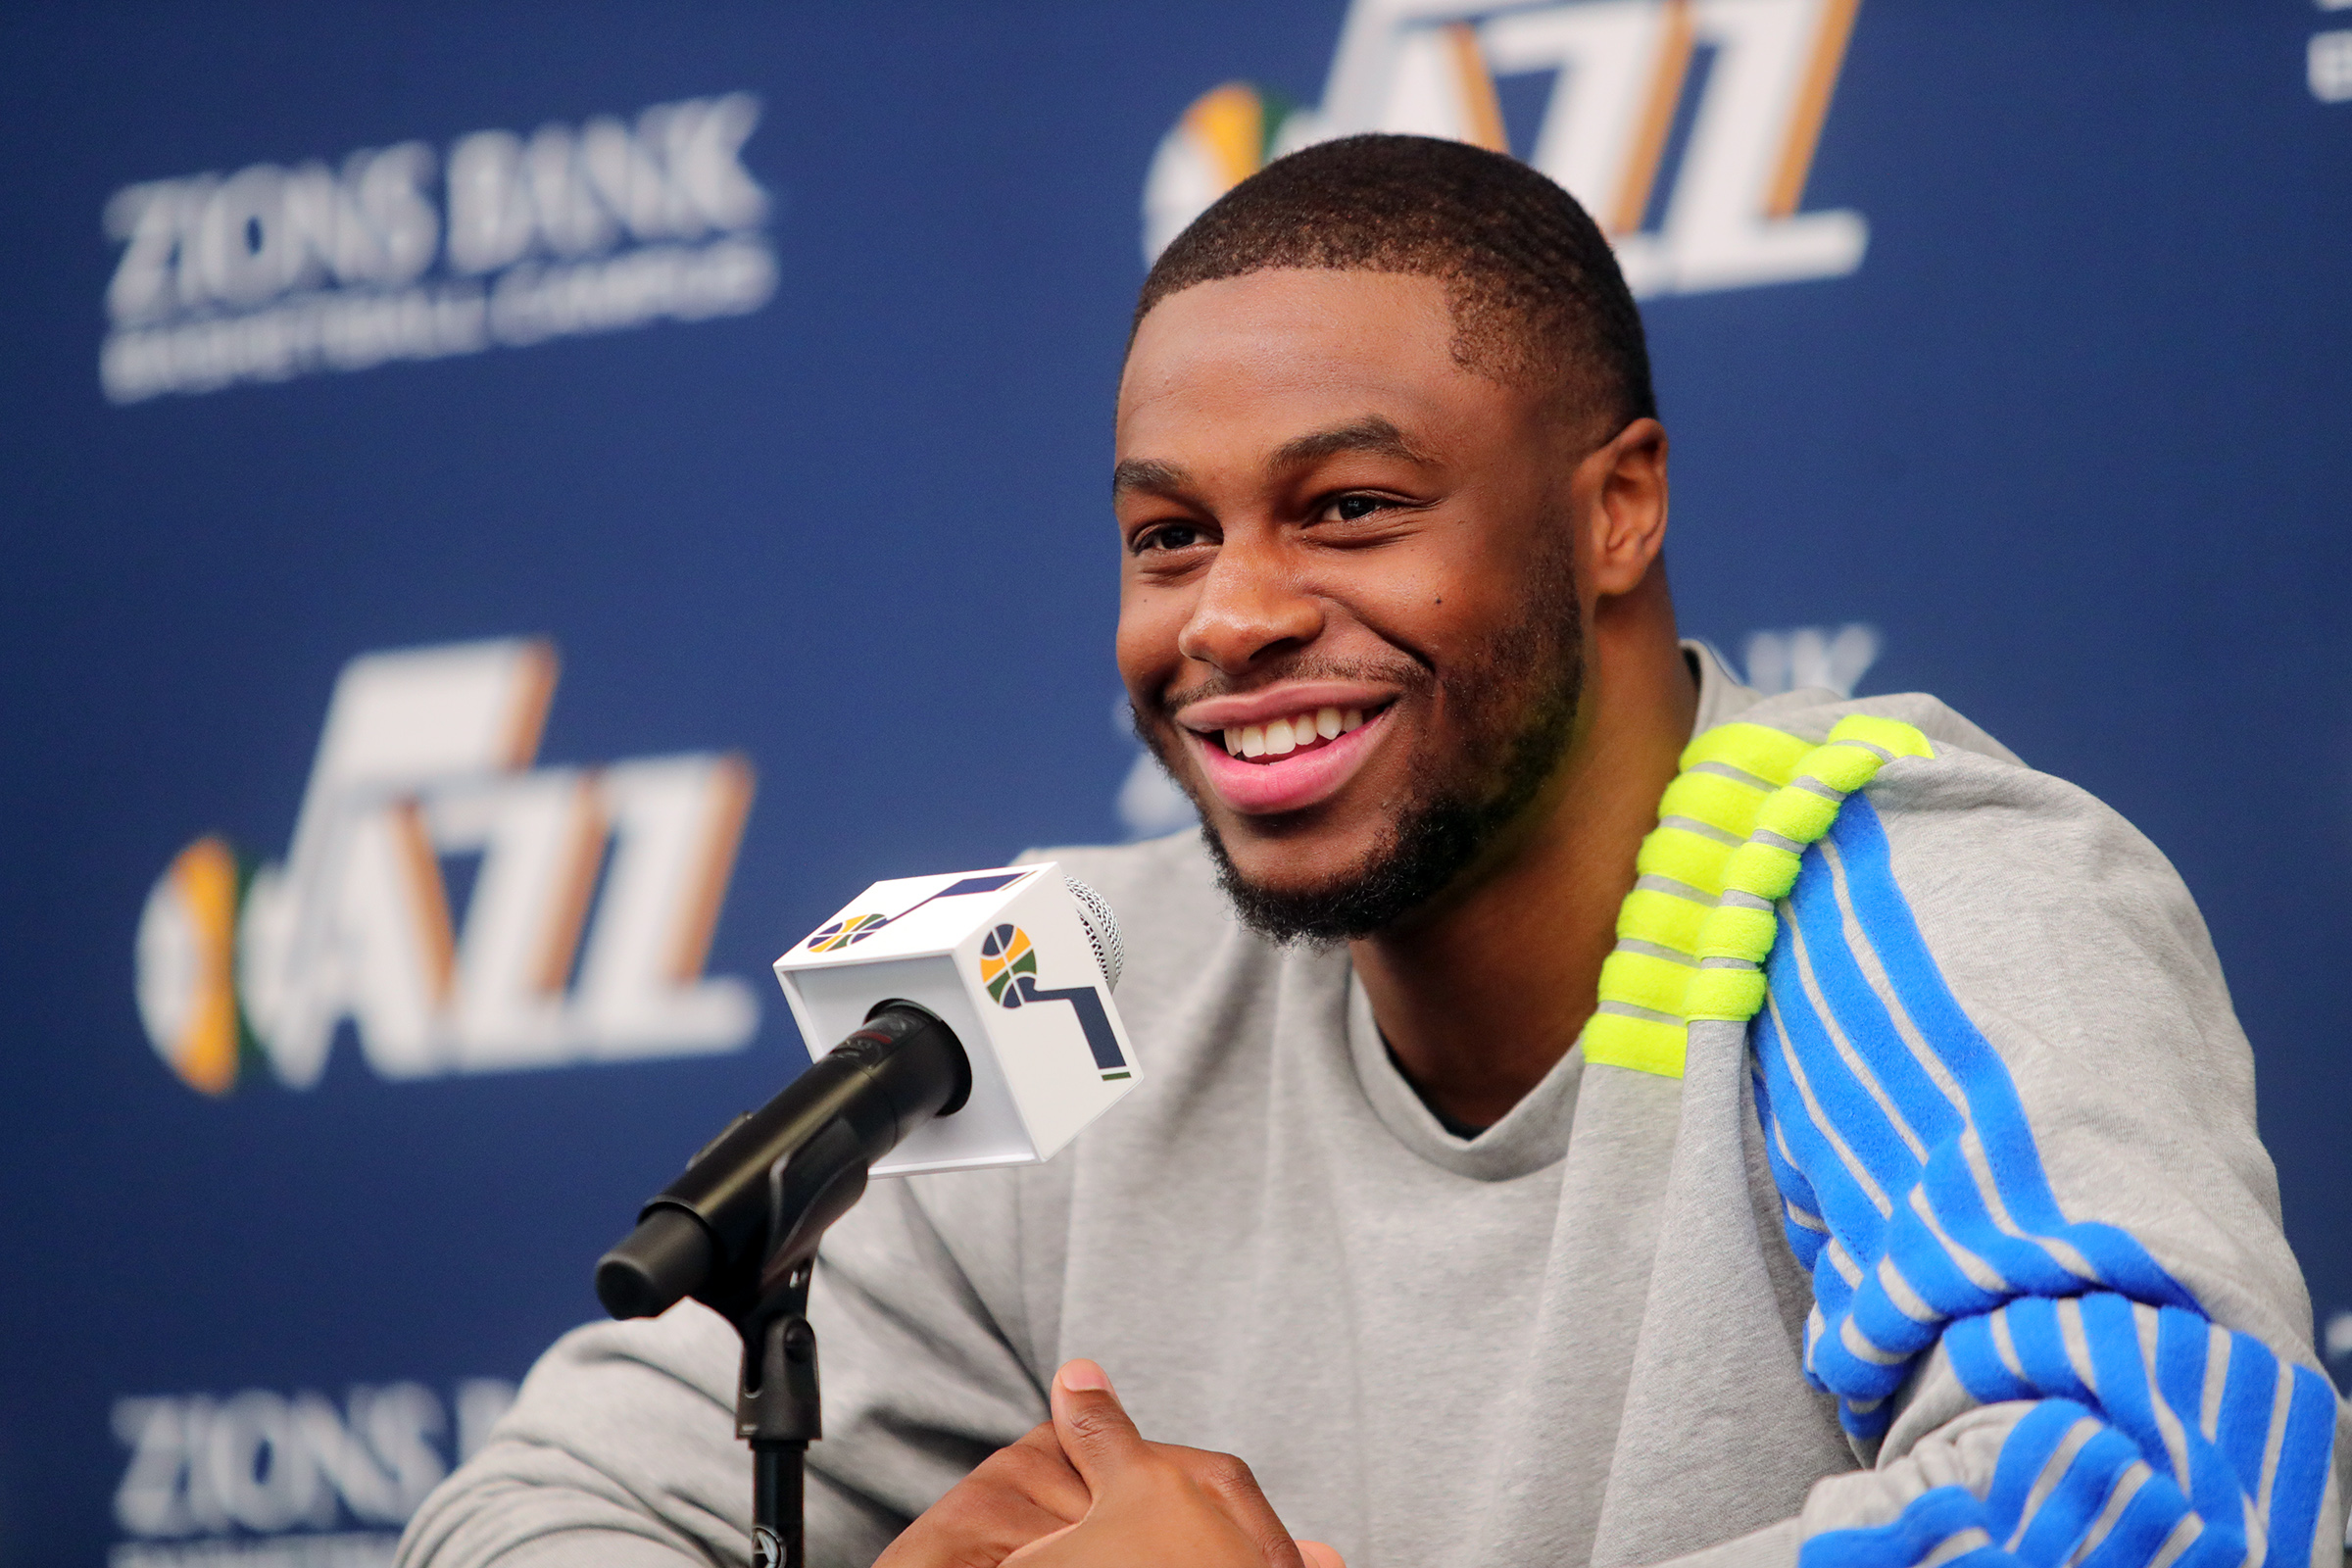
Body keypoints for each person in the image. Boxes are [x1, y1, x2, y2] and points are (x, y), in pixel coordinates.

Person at [397, 135, 2346, 1568]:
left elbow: (2176, 1498)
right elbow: (529, 1511)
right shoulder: (1061, 980)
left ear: (1617, 510)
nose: (1226, 615)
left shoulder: (1892, 879)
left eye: (1345, 506)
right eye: (1169, 534)